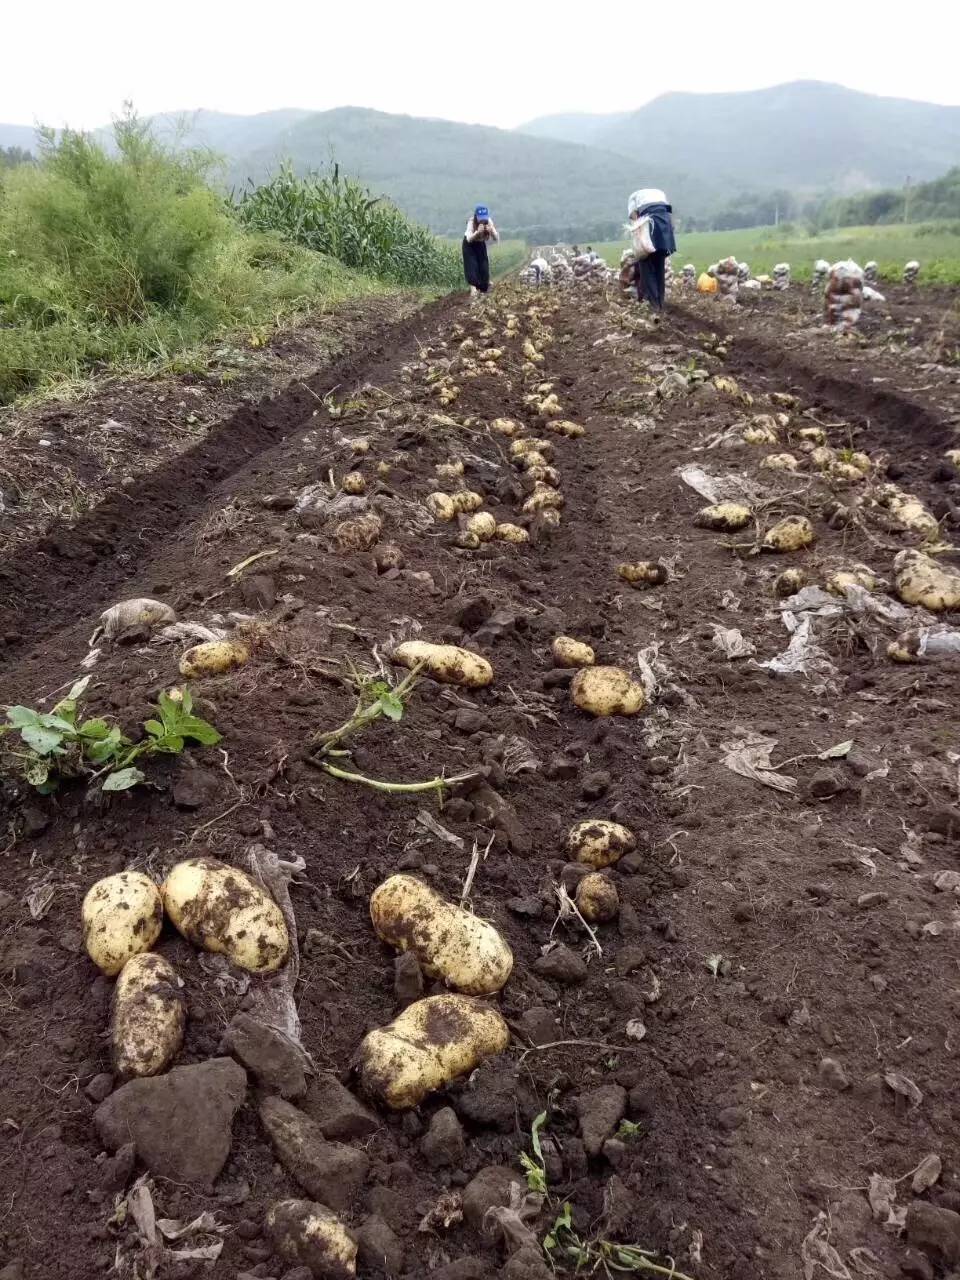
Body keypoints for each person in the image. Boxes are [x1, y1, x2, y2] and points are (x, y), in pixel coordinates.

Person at [627, 188, 676, 312]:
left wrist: (639, 245)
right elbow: (671, 218)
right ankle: (660, 303)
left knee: (646, 264)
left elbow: (634, 219)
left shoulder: (633, 197)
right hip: (664, 223)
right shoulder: (659, 193)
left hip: (649, 221)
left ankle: (654, 307)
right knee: (659, 264)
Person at [462, 205, 499, 295]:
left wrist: (491, 231)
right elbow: (469, 239)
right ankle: (473, 287)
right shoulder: (471, 222)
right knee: (472, 265)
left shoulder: (489, 222)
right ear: (476, 216)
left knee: (484, 265)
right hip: (469, 245)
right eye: (480, 218)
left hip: (480, 244)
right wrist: (477, 232)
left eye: (484, 218)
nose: (482, 220)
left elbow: (496, 238)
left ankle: (484, 285)